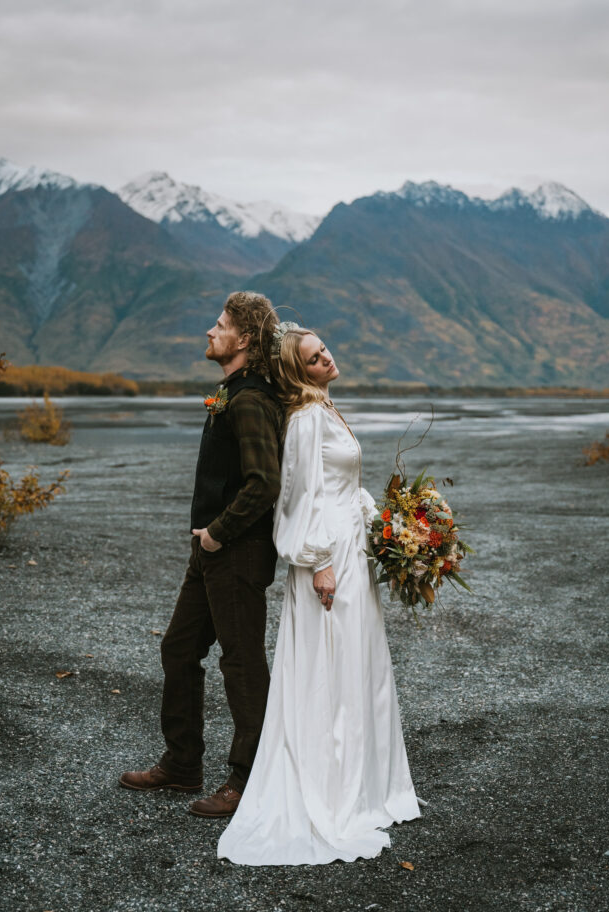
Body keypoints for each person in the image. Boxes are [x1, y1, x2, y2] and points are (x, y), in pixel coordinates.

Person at [217, 323, 420, 864]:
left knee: (359, 666)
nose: (326, 359)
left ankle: (367, 785)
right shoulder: (305, 418)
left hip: (354, 548)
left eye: (324, 350)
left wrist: (392, 529)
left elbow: (346, 488)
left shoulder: (327, 408)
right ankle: (330, 790)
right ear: (295, 371)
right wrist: (318, 563)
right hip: (329, 557)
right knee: (329, 671)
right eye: (312, 359)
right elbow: (298, 497)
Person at [119, 292, 284, 818]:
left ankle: (246, 780)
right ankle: (183, 763)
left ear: (247, 340)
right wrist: (207, 541)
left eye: (220, 325)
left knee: (241, 663)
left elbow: (264, 484)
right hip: (212, 551)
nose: (210, 332)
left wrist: (216, 532)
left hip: (236, 549)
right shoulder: (231, 393)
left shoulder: (253, 399)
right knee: (178, 648)